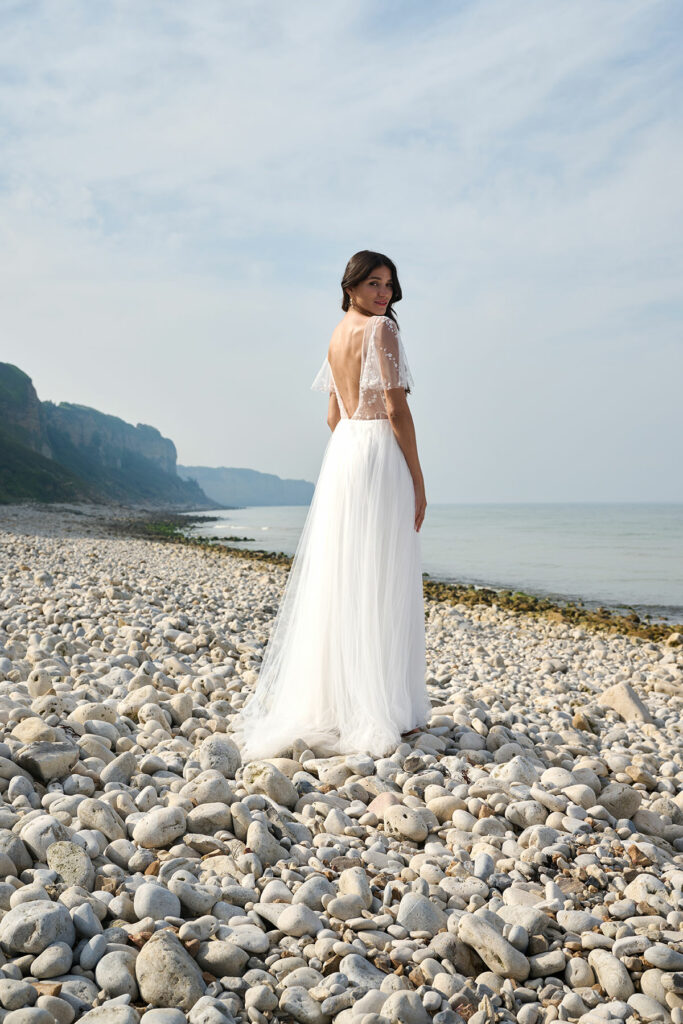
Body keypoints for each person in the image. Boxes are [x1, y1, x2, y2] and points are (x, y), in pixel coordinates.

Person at [231, 250, 431, 760]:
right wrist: (417, 475)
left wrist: (353, 446)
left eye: (388, 284)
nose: (383, 293)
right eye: (373, 283)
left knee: (344, 573)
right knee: (380, 572)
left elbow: (331, 416)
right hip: (376, 451)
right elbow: (395, 407)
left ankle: (336, 703)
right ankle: (381, 706)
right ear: (351, 287)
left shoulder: (337, 333)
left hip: (343, 452)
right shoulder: (381, 331)